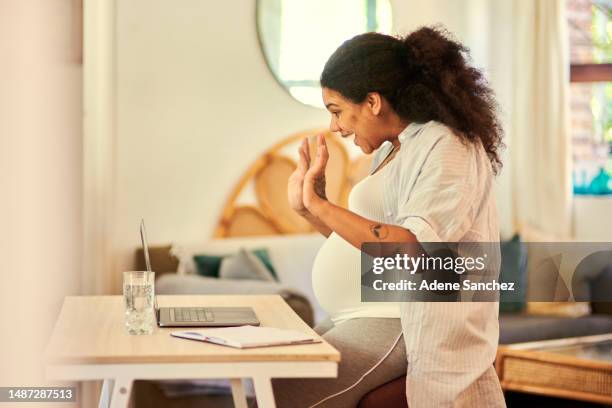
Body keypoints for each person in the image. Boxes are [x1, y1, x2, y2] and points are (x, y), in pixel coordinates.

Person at [269, 25, 505, 407]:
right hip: (360, 313)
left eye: (337, 111)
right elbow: (367, 246)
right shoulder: (391, 150)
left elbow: (411, 249)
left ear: (373, 102)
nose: (335, 127)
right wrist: (311, 206)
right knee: (270, 378)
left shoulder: (445, 146)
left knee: (283, 392)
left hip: (395, 318)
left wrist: (324, 208)